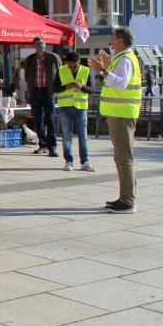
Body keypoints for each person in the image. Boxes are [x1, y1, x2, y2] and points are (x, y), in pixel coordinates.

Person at [89, 27, 141, 214]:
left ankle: (128, 201)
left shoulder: (125, 58)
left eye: (113, 37)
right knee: (122, 157)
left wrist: (103, 70)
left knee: (124, 158)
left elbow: (120, 83)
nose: (110, 39)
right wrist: (108, 65)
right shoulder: (123, 58)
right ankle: (125, 198)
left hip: (122, 114)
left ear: (119, 40)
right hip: (120, 113)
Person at [55, 51, 95, 172]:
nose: (73, 68)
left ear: (79, 62)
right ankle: (69, 161)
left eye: (75, 66)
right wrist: (65, 87)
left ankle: (85, 162)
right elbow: (54, 88)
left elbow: (91, 89)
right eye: (70, 66)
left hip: (80, 107)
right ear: (66, 63)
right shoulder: (61, 70)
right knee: (66, 136)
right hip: (65, 107)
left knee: (83, 136)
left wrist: (81, 87)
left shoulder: (85, 70)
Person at [24, 36, 61, 157]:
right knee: (38, 120)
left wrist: (55, 90)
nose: (40, 45)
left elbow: (60, 73)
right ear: (34, 46)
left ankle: (52, 147)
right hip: (35, 92)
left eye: (42, 43)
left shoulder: (53, 57)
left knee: (50, 120)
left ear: (45, 44)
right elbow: (27, 75)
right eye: (38, 44)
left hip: (48, 92)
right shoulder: (30, 59)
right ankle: (42, 145)